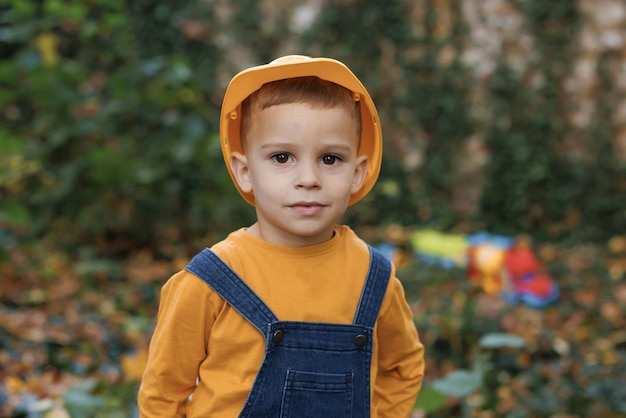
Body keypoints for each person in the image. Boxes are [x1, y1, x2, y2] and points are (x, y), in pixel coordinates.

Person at [138, 55, 425, 417]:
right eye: (282, 157)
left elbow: (403, 367)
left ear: (358, 171)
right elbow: (163, 393)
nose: (308, 178)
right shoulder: (209, 280)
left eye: (331, 159)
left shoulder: (374, 277)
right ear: (244, 171)